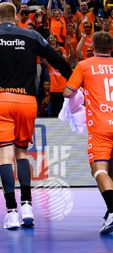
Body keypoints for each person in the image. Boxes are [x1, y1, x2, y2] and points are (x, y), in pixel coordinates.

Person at [0, 1, 71, 230]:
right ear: (16, 17)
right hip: (27, 102)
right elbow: (57, 60)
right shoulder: (32, 35)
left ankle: (12, 212)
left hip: (1, 102)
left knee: (5, 157)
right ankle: (27, 205)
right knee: (23, 154)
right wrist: (75, 81)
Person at [63, 30, 113, 234]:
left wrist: (84, 89)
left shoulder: (85, 65)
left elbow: (67, 92)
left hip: (101, 126)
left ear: (92, 48)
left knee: (99, 170)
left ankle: (112, 210)